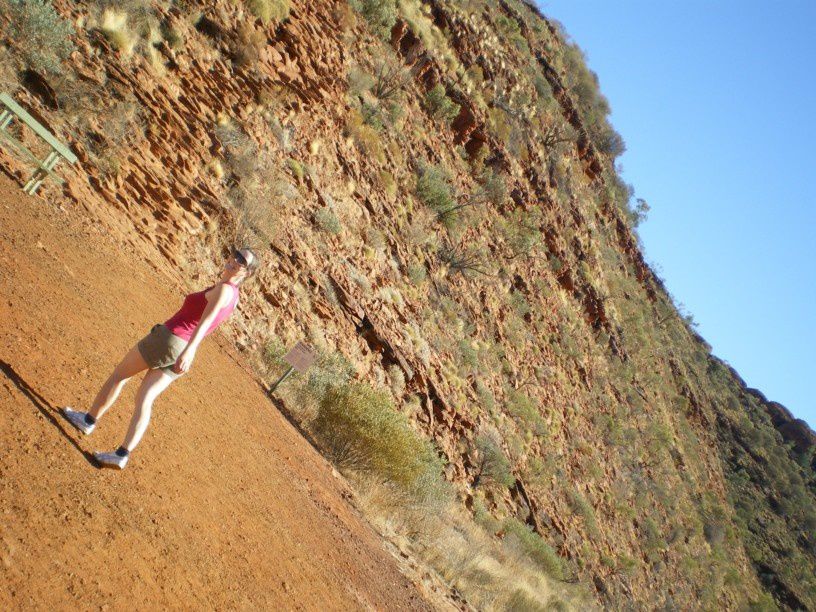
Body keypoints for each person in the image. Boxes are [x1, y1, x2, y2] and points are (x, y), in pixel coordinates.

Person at [61, 247, 259, 469]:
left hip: (170, 340)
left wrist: (189, 350)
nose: (234, 259)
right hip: (180, 350)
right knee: (145, 398)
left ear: (247, 272)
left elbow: (205, 323)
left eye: (241, 261)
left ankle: (87, 420)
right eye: (235, 254)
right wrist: (188, 352)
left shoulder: (224, 289)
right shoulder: (233, 296)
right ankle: (122, 454)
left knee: (120, 375)